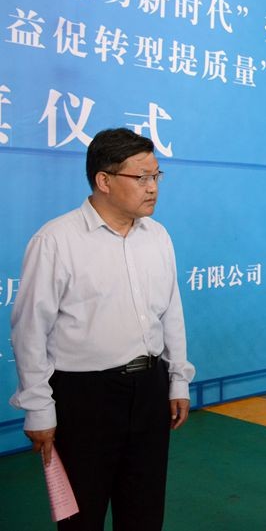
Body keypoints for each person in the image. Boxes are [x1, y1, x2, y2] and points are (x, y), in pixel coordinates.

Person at [9, 127, 195, 531]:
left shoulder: (157, 236)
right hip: (84, 397)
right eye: (141, 177)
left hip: (150, 388)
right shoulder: (56, 241)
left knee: (144, 509)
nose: (153, 187)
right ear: (104, 180)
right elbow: (29, 332)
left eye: (156, 176)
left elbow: (171, 313)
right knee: (82, 514)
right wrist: (38, 408)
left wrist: (178, 380)